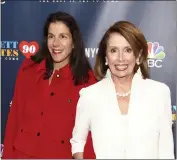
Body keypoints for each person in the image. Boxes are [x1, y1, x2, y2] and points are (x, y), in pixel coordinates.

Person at [70, 21, 174, 159]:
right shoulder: (89, 96)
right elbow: (78, 142)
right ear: (106, 57)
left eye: (128, 50)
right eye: (113, 50)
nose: (120, 58)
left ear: (138, 56)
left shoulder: (159, 93)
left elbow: (166, 150)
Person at [2, 11, 96, 159]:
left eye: (63, 37)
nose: (55, 43)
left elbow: (89, 139)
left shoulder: (87, 82)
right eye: (51, 36)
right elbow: (14, 119)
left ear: (74, 42)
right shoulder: (29, 69)